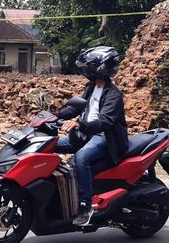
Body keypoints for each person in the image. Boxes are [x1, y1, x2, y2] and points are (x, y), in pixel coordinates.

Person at [55, 46, 129, 226]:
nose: (86, 70)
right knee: (51, 143)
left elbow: (104, 122)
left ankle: (85, 206)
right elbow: (75, 108)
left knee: (81, 158)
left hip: (104, 137)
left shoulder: (113, 95)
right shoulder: (91, 88)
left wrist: (80, 124)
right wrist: (53, 115)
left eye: (89, 66)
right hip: (86, 133)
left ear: (100, 68)